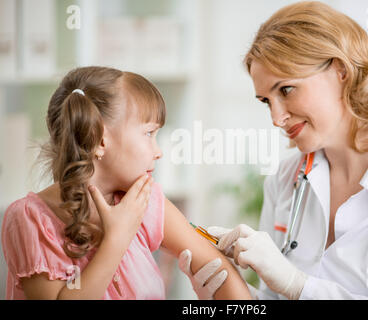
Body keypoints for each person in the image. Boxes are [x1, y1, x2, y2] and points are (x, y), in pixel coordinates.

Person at [181, 1, 368, 299]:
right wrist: (226, 294)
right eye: (266, 101)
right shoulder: (284, 181)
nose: (276, 118)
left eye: (286, 90)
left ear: (341, 71)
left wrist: (298, 285)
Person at [1, 66, 252, 300]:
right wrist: (117, 238)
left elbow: (219, 270)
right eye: (149, 133)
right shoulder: (30, 219)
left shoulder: (144, 198)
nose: (158, 151)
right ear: (100, 140)